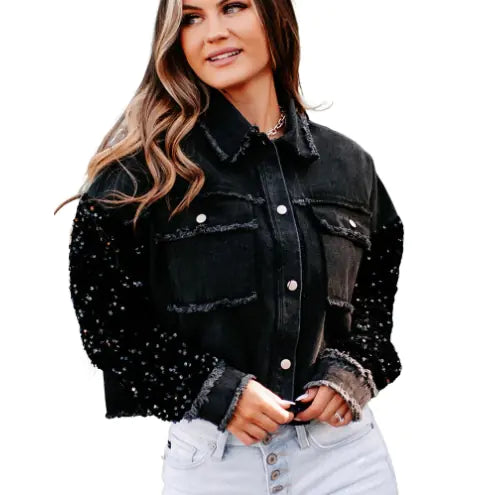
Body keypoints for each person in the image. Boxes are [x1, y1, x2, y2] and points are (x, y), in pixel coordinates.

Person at [55, 1, 404, 493]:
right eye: (191, 17)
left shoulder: (349, 165)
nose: (213, 32)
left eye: (233, 7)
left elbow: (374, 305)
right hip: (216, 463)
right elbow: (110, 329)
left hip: (344, 458)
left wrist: (348, 373)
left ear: (275, 17)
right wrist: (214, 390)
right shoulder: (141, 176)